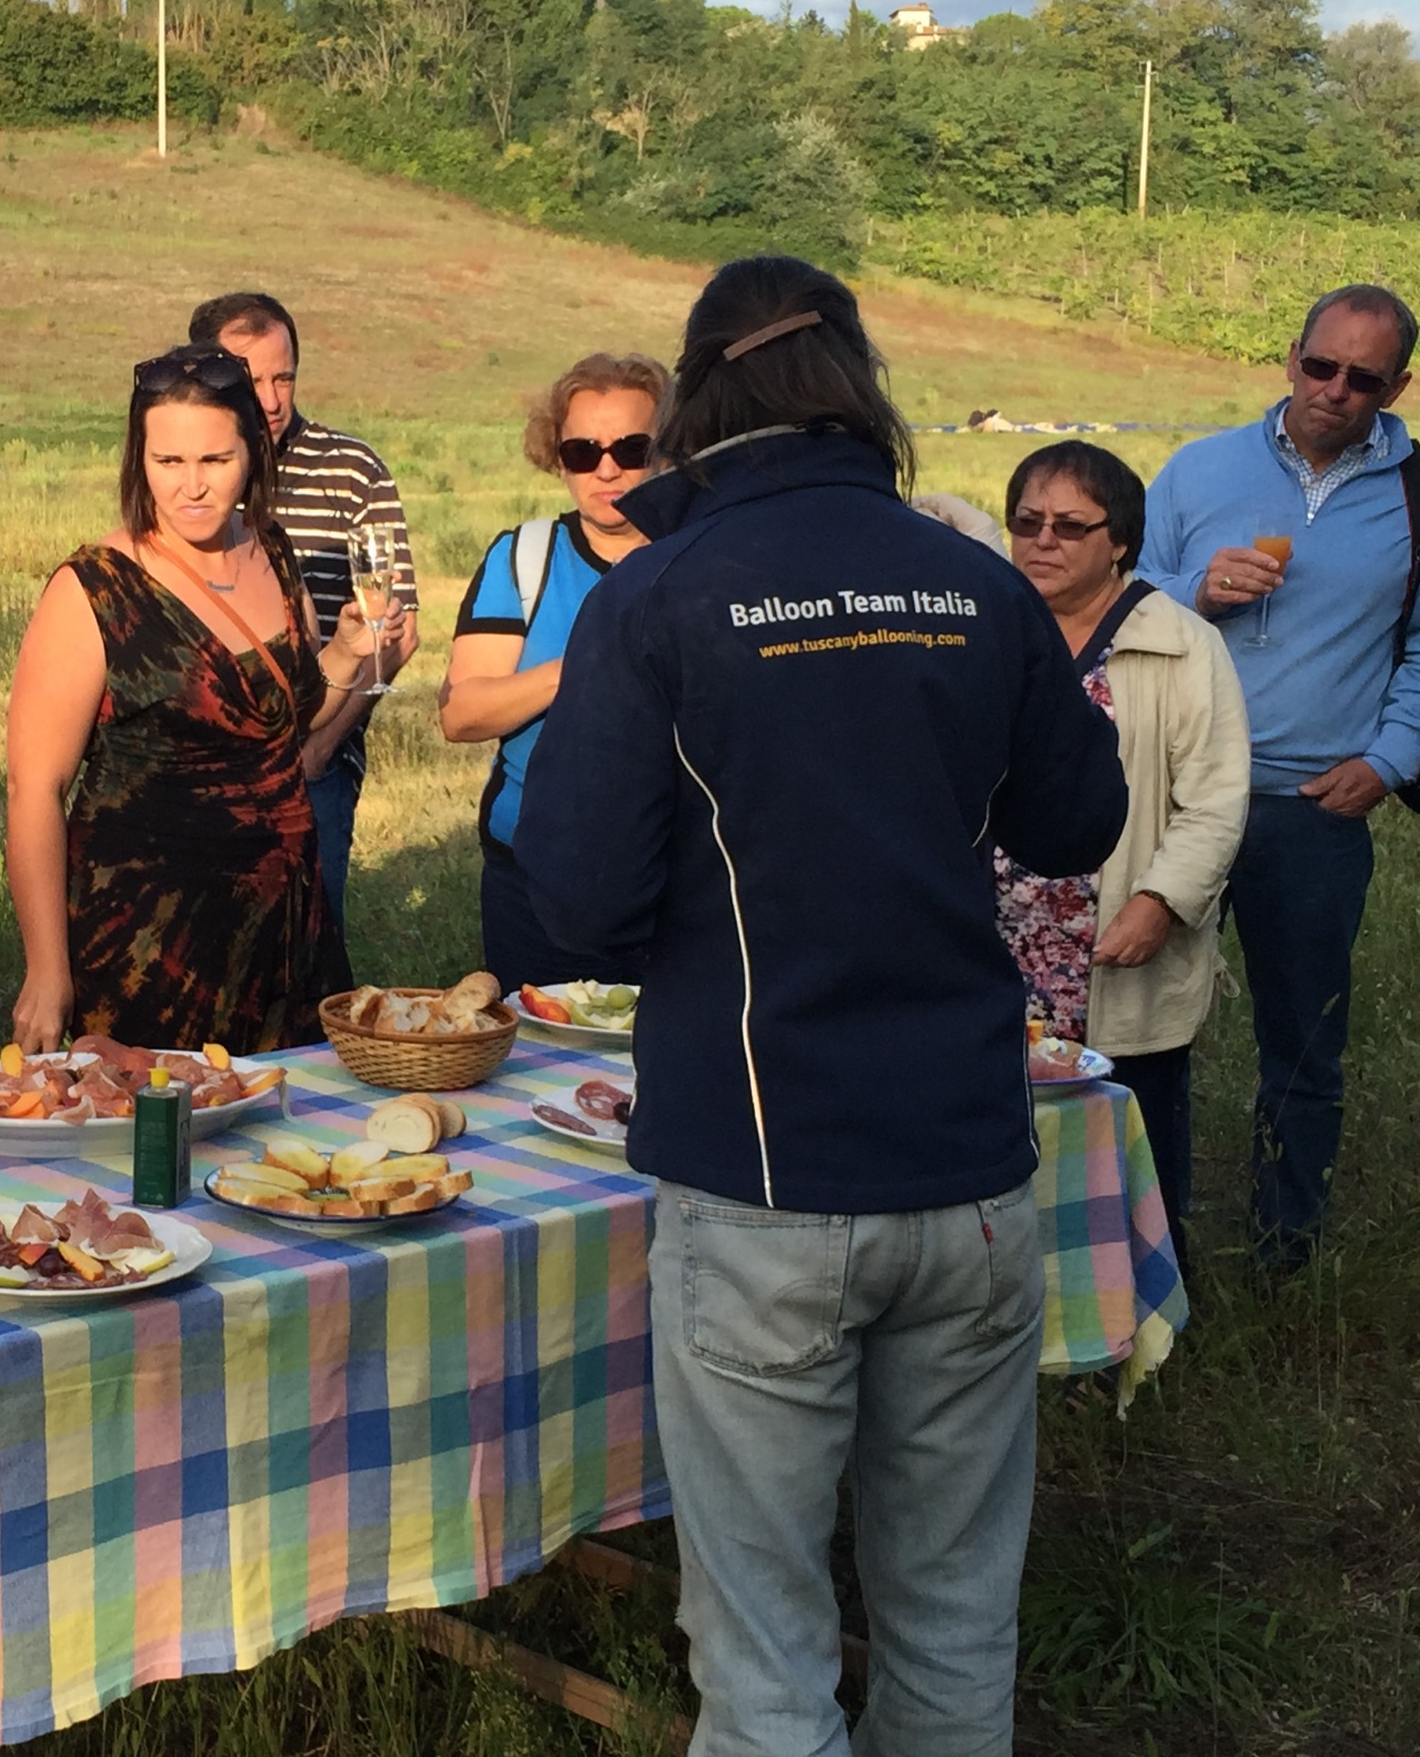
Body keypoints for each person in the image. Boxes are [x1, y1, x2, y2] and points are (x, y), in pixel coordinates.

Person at [516, 257, 1128, 1755]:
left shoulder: (658, 589)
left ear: (700, 402)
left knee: (768, 1650)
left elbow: (577, 909)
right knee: (953, 1619)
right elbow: (1078, 819)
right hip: (969, 1170)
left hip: (765, 1183)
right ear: (861, 388)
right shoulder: (976, 580)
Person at [1137, 284, 1420, 1270]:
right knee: (1146, 1038)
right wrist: (1193, 589)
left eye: (1362, 378)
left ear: (1396, 385)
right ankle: (1152, 1253)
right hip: (1173, 798)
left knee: (1303, 1046)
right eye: (1319, 366)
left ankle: (1289, 1255)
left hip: (1311, 811)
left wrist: (1388, 758)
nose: (1334, 391)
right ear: (1290, 358)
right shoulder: (1200, 470)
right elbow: (1122, 590)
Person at [5, 344, 382, 1056]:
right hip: (150, 945)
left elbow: (283, 728)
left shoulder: (271, 549)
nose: (192, 487)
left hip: (286, 937)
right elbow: (34, 788)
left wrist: (343, 656)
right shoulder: (94, 588)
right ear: (138, 460)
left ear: (254, 453)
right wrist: (47, 971)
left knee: (286, 1150)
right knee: (147, 1151)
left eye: (215, 460)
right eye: (168, 462)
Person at [995, 441, 1249, 1280]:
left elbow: (1214, 799)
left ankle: (1140, 1315)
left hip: (1113, 946)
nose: (1043, 541)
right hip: (990, 947)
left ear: (1122, 542)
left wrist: (1162, 902)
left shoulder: (1180, 643)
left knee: (1129, 1140)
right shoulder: (983, 631)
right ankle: (1010, 1308)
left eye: (1071, 526)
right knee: (999, 1142)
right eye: (1027, 522)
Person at [190, 292, 416, 966]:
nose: (271, 397)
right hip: (205, 770)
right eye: (250, 380)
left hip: (314, 770)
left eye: (282, 377)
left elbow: (396, 633)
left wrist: (322, 747)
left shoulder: (352, 471)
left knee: (307, 966)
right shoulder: (185, 478)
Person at [440, 351, 666, 988]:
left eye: (632, 447)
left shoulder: (707, 556)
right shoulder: (525, 558)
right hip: (534, 885)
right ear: (555, 456)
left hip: (680, 886)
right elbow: (461, 714)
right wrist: (585, 665)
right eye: (581, 452)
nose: (607, 468)